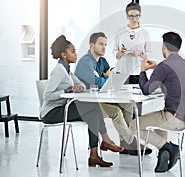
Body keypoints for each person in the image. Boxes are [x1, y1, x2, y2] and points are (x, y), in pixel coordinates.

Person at [41, 35, 124, 168]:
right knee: (93, 107)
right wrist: (67, 91)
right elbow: (47, 96)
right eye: (72, 52)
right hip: (51, 113)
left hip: (63, 108)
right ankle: (106, 141)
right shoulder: (59, 71)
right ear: (64, 55)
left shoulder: (68, 71)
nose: (76, 54)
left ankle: (94, 155)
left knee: (93, 114)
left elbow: (83, 86)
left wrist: (78, 87)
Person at [75, 32, 152, 156]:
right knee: (116, 112)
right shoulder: (85, 62)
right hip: (87, 104)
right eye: (101, 44)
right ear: (92, 45)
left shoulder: (102, 61)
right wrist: (105, 77)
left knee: (128, 106)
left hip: (99, 98)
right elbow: (97, 83)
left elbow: (112, 78)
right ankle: (132, 142)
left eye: (105, 44)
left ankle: (125, 142)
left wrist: (105, 77)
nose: (104, 47)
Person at [129, 32, 185, 173]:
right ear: (178, 47)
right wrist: (157, 67)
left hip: (173, 118)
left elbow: (147, 90)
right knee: (158, 122)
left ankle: (168, 147)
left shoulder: (164, 66)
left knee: (133, 125)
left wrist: (142, 72)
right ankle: (163, 156)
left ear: (164, 46)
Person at [114, 2, 151, 84]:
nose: (134, 19)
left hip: (137, 71)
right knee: (120, 95)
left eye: (137, 16)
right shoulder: (120, 32)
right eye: (131, 16)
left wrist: (140, 52)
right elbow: (114, 52)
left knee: (137, 95)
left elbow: (148, 55)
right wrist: (121, 52)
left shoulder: (145, 33)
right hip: (121, 71)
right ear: (127, 16)